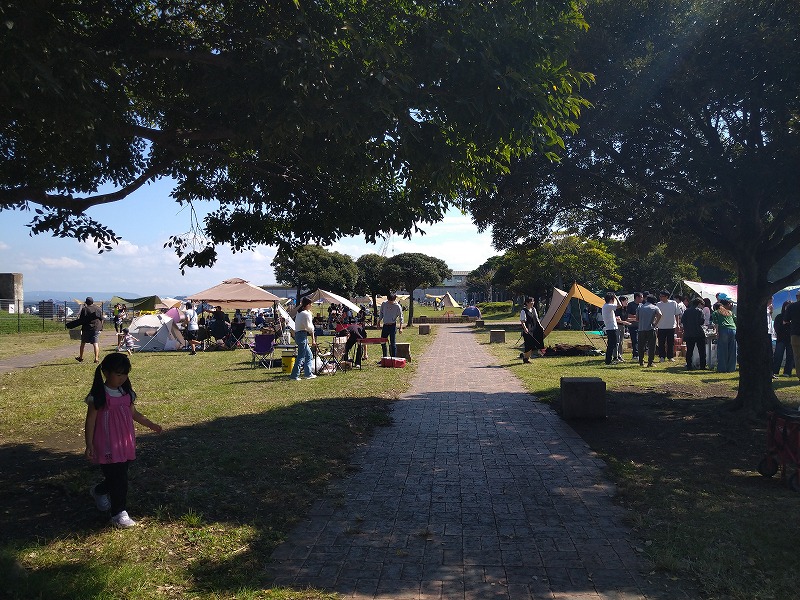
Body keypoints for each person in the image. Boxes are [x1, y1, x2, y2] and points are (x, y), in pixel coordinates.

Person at [84, 353, 162, 528]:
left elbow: (134, 414)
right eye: (118, 374)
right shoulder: (98, 395)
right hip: (106, 444)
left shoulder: (126, 392)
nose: (121, 378)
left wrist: (151, 424)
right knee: (118, 478)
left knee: (119, 476)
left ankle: (98, 491)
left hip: (124, 443)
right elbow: (90, 421)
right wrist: (89, 444)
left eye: (125, 374)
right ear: (105, 372)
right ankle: (119, 513)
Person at [68, 297, 105, 363]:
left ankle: (81, 357)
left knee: (83, 343)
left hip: (87, 328)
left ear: (86, 302)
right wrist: (101, 327)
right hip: (96, 328)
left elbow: (81, 320)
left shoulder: (84, 309)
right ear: (93, 302)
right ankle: (96, 358)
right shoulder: (98, 309)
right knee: (95, 343)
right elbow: (102, 319)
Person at [290, 297, 317, 380]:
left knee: (309, 355)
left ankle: (308, 373)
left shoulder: (300, 312)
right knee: (301, 356)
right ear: (307, 304)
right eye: (310, 304)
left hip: (299, 335)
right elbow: (309, 327)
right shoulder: (306, 314)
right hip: (302, 335)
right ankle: (294, 375)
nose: (311, 305)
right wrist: (313, 338)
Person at [711, 297, 737, 372]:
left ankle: (722, 368)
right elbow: (736, 320)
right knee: (732, 350)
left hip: (723, 329)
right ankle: (731, 368)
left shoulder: (716, 313)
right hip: (733, 329)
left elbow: (716, 323)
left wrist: (716, 332)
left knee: (722, 350)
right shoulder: (730, 312)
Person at [636, 295, 662, 367]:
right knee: (651, 346)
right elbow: (660, 314)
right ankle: (650, 362)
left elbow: (637, 319)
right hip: (650, 329)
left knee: (641, 346)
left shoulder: (640, 307)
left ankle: (641, 361)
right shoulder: (654, 307)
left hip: (641, 329)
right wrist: (655, 324)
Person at [681, 298, 707, 370]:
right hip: (698, 333)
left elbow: (683, 321)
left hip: (689, 333)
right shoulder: (700, 311)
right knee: (702, 351)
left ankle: (689, 365)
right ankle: (702, 366)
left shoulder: (686, 311)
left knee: (689, 350)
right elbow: (701, 322)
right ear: (699, 304)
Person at [656, 290, 681, 362]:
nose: (660, 298)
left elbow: (677, 314)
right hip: (661, 326)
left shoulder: (673, 303)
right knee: (661, 342)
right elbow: (656, 315)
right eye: (660, 296)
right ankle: (662, 356)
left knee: (670, 342)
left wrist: (678, 324)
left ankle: (670, 356)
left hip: (671, 326)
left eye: (662, 296)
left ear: (666, 297)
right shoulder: (658, 304)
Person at [519, 296, 544, 363]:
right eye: (531, 302)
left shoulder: (534, 309)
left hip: (534, 329)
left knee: (533, 345)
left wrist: (540, 326)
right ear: (527, 303)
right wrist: (525, 329)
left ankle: (525, 358)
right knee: (528, 345)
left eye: (533, 301)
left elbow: (537, 319)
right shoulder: (523, 311)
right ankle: (525, 357)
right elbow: (522, 321)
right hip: (528, 330)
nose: (532, 303)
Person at [773, 300, 794, 378]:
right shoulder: (779, 317)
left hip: (790, 339)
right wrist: (783, 324)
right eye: (787, 306)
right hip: (781, 339)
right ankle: (775, 371)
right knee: (778, 355)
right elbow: (776, 328)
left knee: (790, 356)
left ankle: (787, 372)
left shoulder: (793, 317)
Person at [782, 291, 800, 382]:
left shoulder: (791, 307)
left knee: (797, 356)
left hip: (795, 334)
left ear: (797, 296)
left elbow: (785, 320)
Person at [379, 293, 404, 358]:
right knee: (382, 341)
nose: (390, 302)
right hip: (385, 326)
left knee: (392, 343)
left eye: (391, 300)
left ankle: (393, 358)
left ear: (394, 299)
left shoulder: (397, 306)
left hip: (392, 326)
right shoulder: (384, 304)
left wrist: (401, 328)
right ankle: (385, 357)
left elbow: (401, 317)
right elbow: (381, 313)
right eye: (389, 300)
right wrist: (378, 321)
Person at [601, 292, 622, 365]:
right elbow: (620, 305)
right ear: (611, 299)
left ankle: (609, 359)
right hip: (611, 328)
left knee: (612, 344)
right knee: (612, 344)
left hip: (610, 327)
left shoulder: (605, 306)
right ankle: (608, 360)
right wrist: (616, 297)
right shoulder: (608, 305)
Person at [626, 292, 643, 361]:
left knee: (640, 341)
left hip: (640, 326)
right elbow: (628, 315)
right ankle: (635, 355)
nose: (642, 298)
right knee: (634, 340)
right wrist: (636, 316)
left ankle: (640, 354)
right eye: (641, 297)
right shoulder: (630, 305)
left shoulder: (641, 305)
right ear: (637, 297)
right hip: (633, 325)